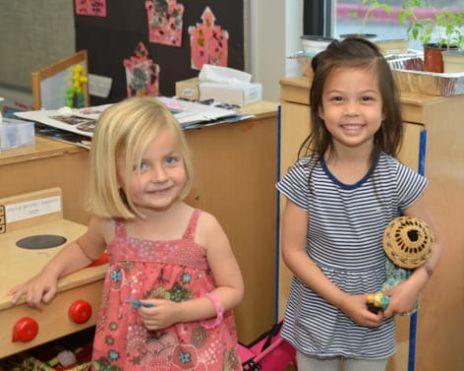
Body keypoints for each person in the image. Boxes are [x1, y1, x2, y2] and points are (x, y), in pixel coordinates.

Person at [9, 96, 245, 370]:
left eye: (170, 160)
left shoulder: (204, 227)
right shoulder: (110, 223)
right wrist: (49, 272)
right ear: (114, 174)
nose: (160, 176)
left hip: (196, 357)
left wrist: (180, 312)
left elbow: (233, 290)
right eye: (141, 166)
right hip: (127, 356)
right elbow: (83, 249)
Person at [277, 37, 441, 371]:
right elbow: (292, 251)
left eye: (366, 99)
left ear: (384, 109)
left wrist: (414, 284)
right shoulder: (304, 178)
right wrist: (340, 300)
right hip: (317, 311)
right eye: (338, 99)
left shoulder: (398, 179)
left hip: (373, 317)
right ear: (320, 109)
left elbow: (434, 243)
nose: (351, 110)